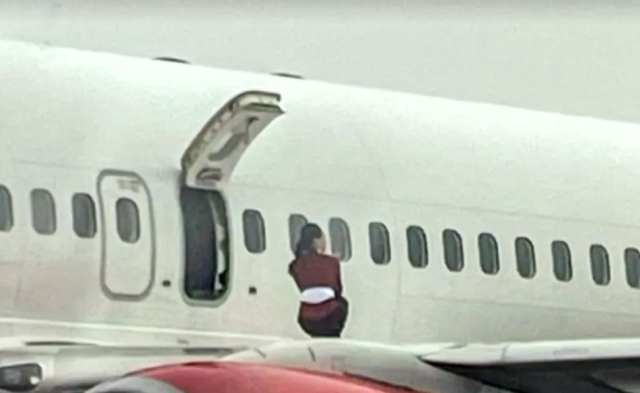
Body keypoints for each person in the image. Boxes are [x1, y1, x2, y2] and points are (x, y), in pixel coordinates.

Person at [288, 223, 349, 338]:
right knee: (343, 303)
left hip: (306, 316)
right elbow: (338, 289)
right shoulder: (331, 262)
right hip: (330, 313)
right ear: (316, 241)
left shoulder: (295, 265)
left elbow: (302, 285)